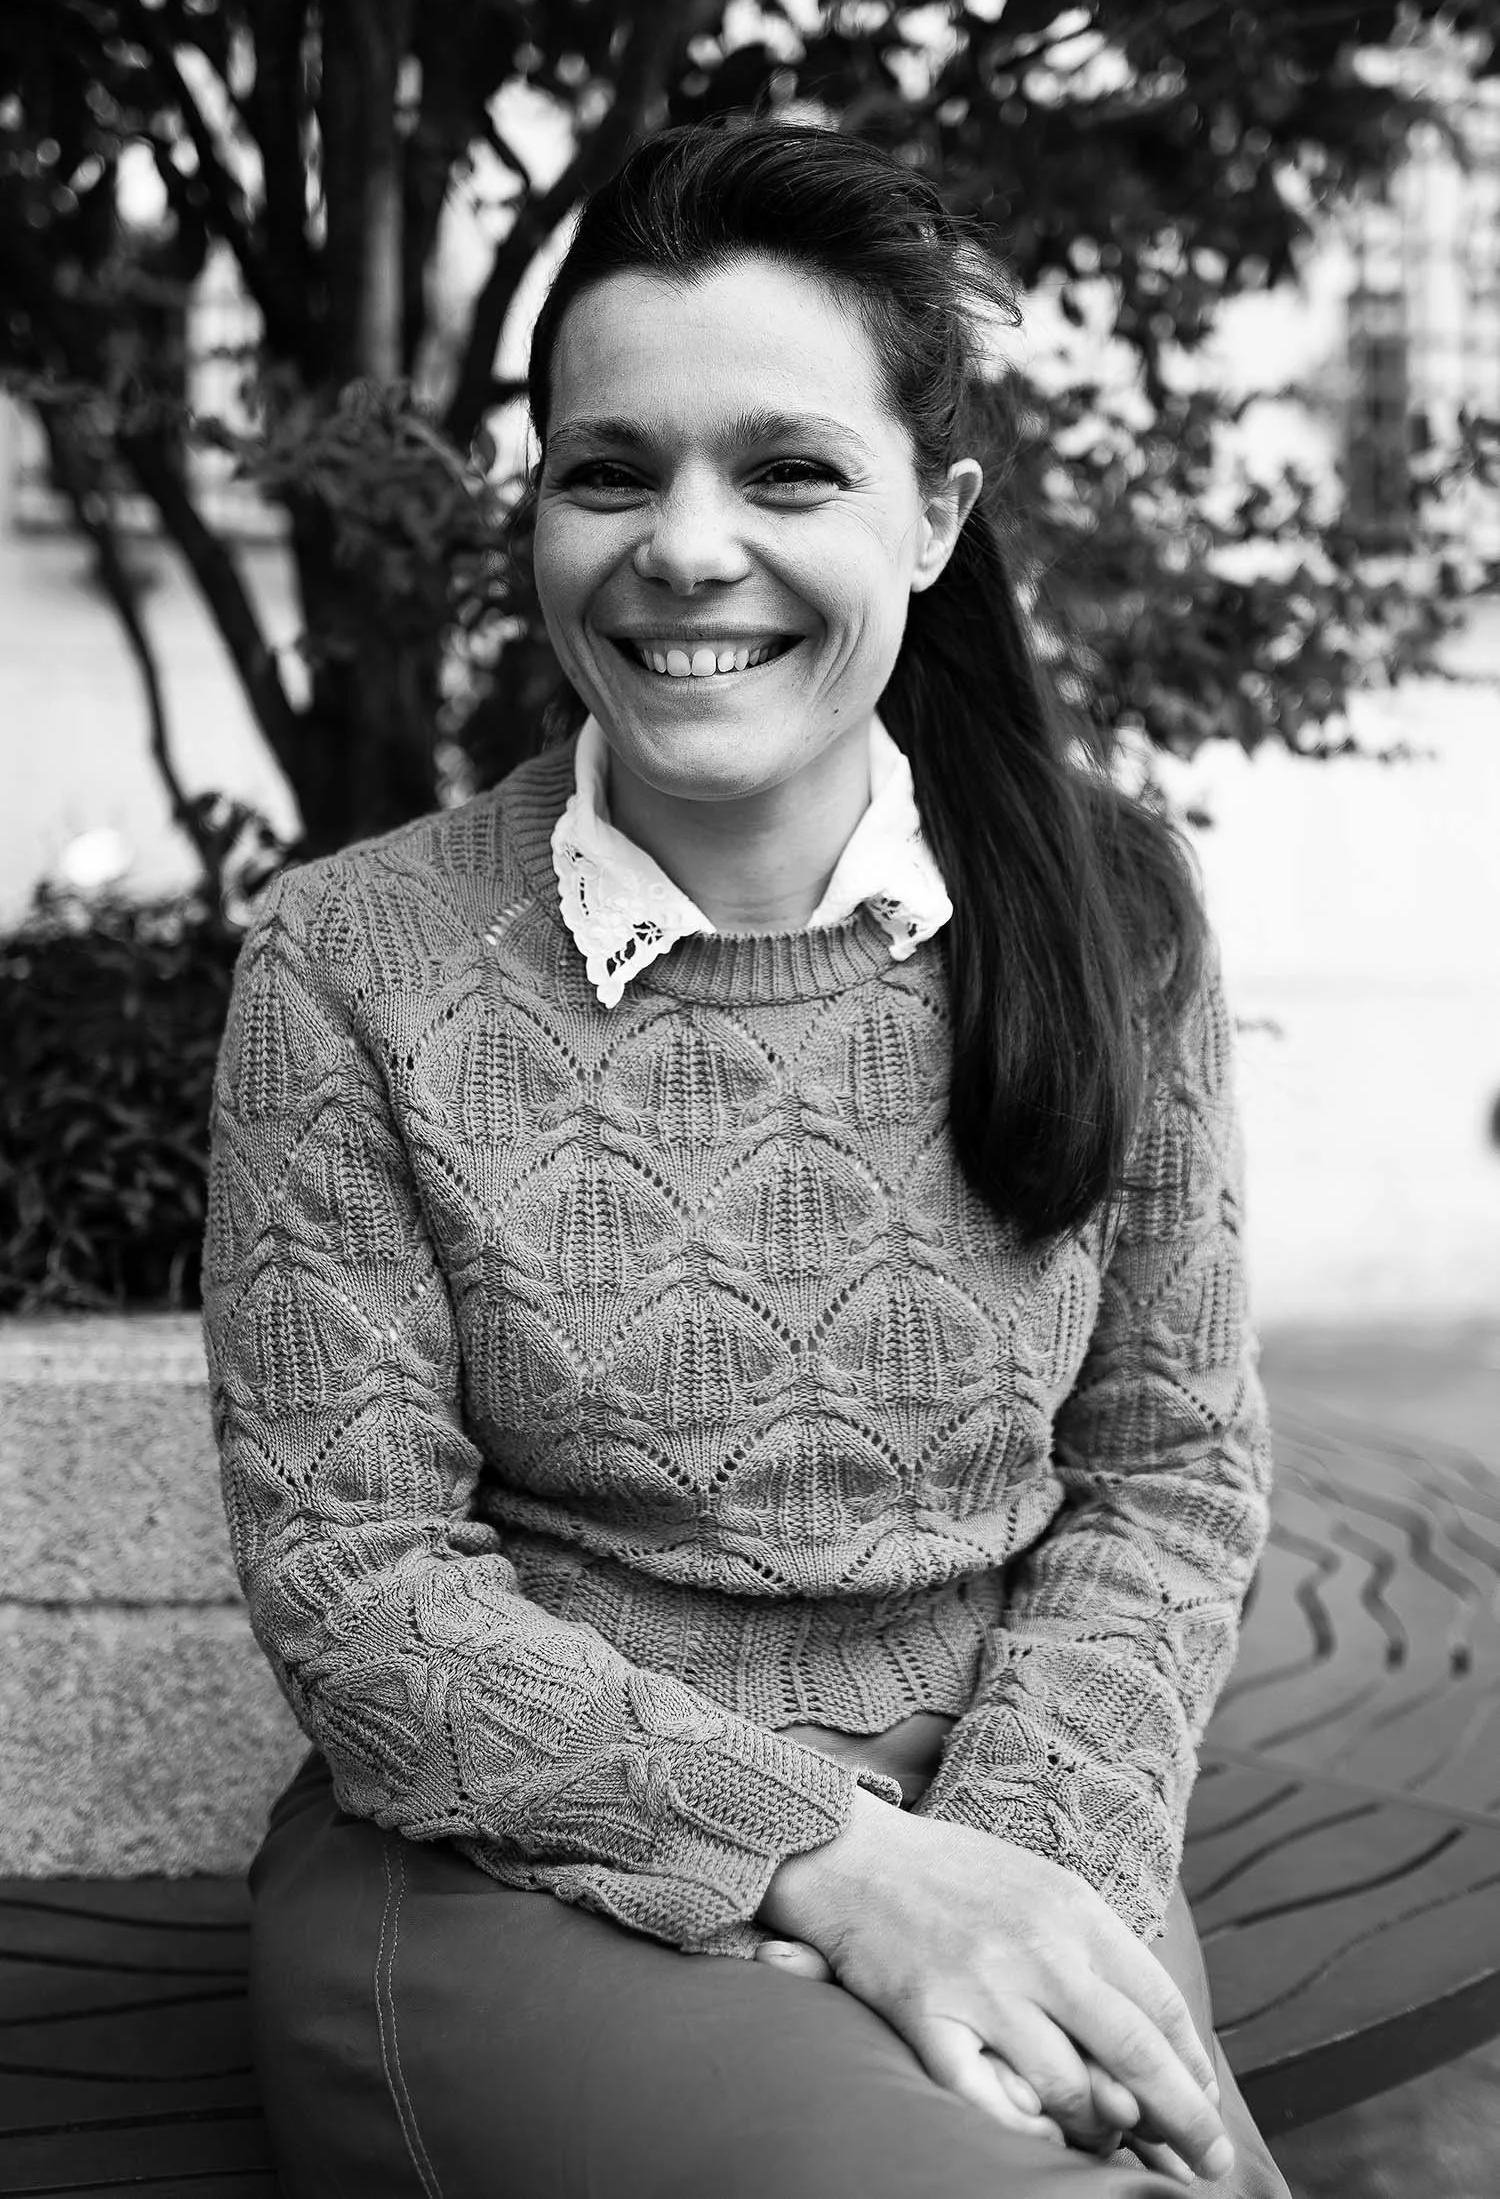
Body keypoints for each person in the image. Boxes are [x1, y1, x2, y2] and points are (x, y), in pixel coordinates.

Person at [203, 119, 1289, 2199]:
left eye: (787, 471)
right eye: (612, 473)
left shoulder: (1115, 910)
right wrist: (840, 1878)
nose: (685, 547)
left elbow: (1171, 1471)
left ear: (936, 518)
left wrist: (1006, 1891)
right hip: (521, 1882)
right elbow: (358, 1579)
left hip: (1010, 1842)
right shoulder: (353, 963)